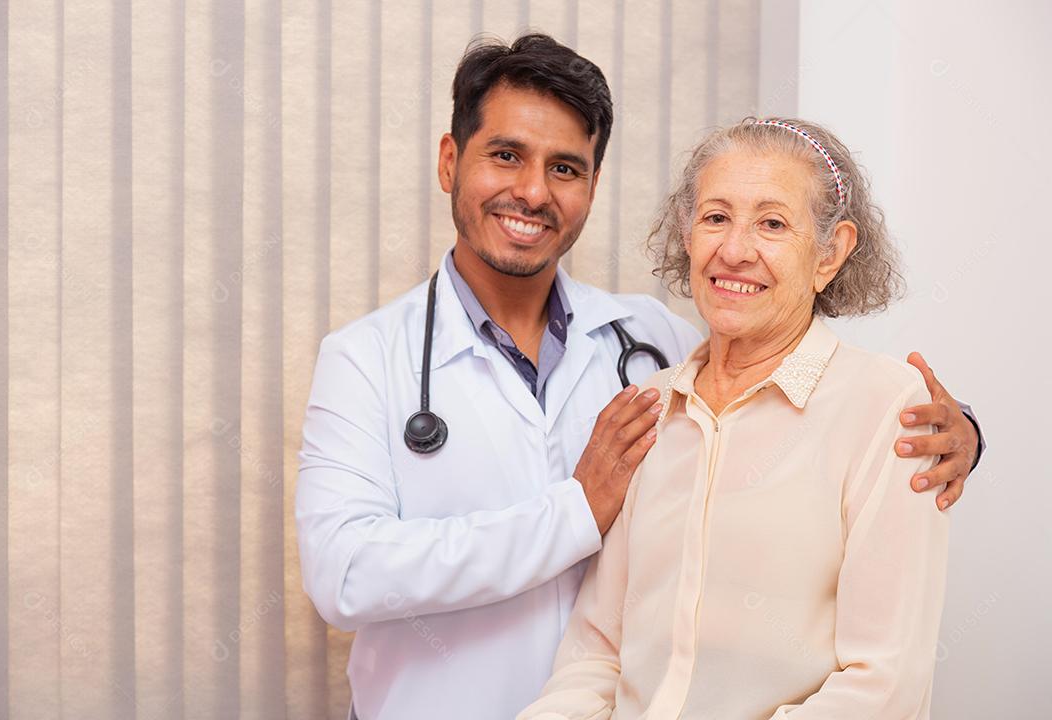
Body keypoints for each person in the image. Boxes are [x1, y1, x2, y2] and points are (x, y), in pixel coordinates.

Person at [295, 36, 984, 720]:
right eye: (506, 155)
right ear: (451, 162)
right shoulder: (365, 359)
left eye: (566, 168)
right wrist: (576, 509)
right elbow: (344, 575)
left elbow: (794, 380)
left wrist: (959, 435)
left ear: (592, 186)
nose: (533, 191)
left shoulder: (653, 346)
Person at [518, 118, 960, 719]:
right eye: (716, 217)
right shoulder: (650, 406)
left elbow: (882, 683)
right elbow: (596, 653)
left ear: (830, 253)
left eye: (773, 224)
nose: (733, 250)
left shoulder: (887, 408)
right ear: (687, 233)